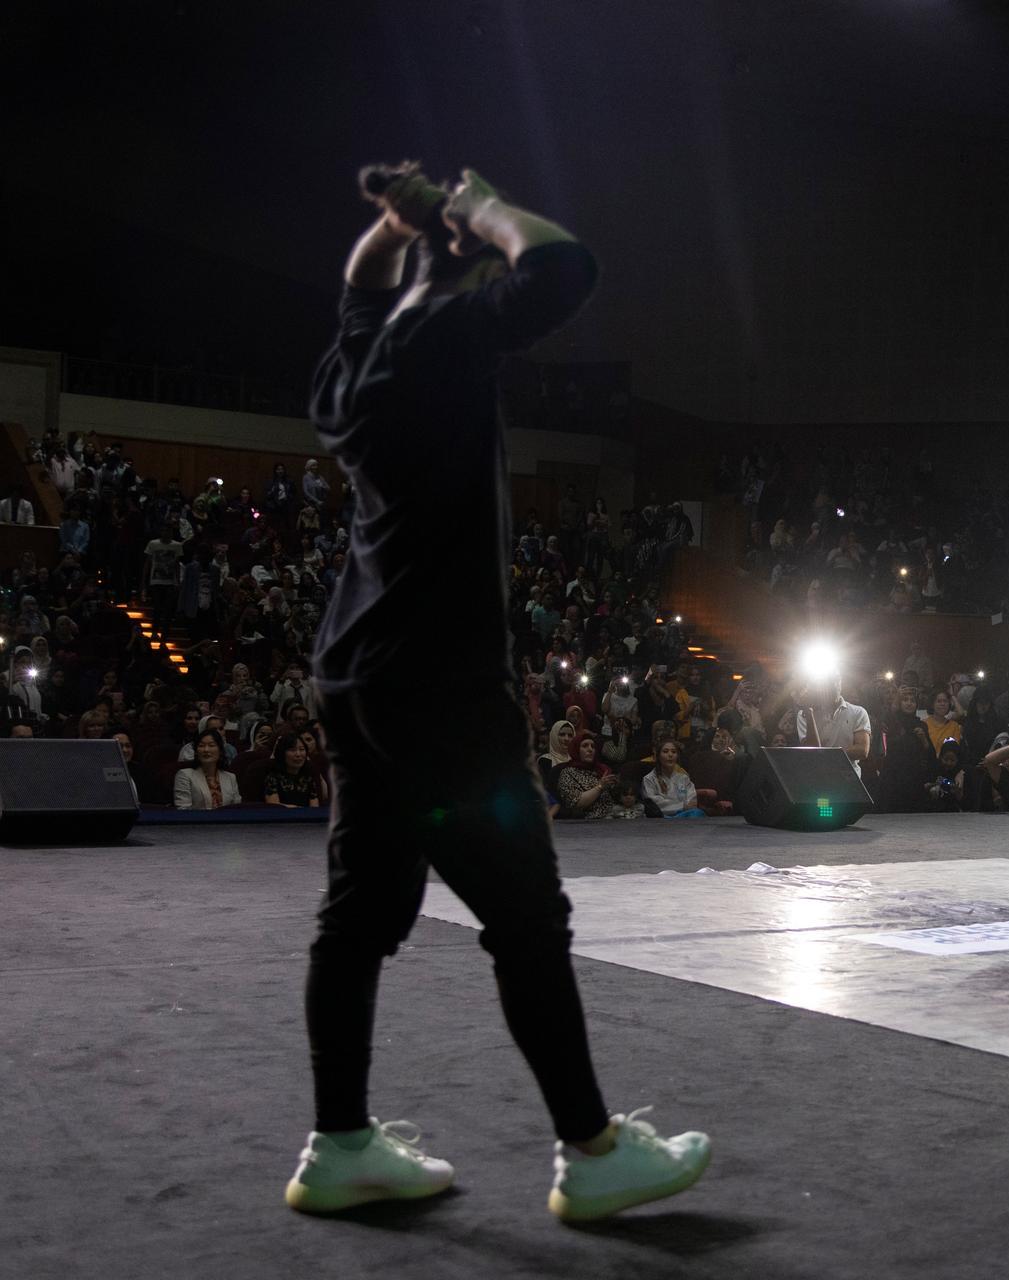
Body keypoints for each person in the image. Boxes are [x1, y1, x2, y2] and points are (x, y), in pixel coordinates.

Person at [285, 162, 707, 1221]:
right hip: (442, 683)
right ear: (463, 272)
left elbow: (360, 282)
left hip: (356, 668)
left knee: (359, 914)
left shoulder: (360, 362)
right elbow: (566, 264)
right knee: (527, 919)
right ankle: (594, 1149)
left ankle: (340, 1144)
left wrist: (399, 226)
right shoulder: (446, 341)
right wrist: (474, 204)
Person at [794, 671, 871, 780]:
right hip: (818, 778)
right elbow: (814, 752)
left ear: (840, 682)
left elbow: (862, 750)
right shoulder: (804, 715)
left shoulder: (858, 712)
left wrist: (825, 755)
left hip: (848, 779)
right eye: (824, 682)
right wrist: (808, 711)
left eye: (832, 680)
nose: (829, 686)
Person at [174, 729, 241, 810]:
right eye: (201, 745)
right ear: (196, 751)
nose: (206, 750)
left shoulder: (230, 777)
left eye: (211, 745)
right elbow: (183, 809)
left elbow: (236, 808)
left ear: (220, 750)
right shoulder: (185, 775)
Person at [641, 738, 703, 817]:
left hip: (684, 815)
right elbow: (653, 803)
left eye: (674, 752)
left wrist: (685, 806)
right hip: (661, 818)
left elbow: (692, 800)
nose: (670, 755)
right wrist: (682, 806)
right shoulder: (649, 779)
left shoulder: (683, 778)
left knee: (697, 813)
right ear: (658, 756)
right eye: (665, 751)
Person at [264, 733, 325, 809]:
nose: (298, 754)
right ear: (282, 753)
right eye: (292, 750)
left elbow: (314, 808)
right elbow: (274, 806)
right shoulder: (273, 776)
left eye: (302, 749)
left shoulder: (308, 775)